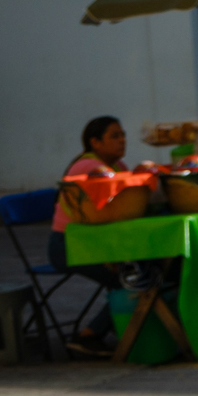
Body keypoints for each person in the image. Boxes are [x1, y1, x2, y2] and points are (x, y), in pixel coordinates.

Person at [51, 115, 133, 357]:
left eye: (123, 135)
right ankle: (90, 335)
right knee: (134, 280)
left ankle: (120, 328)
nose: (122, 141)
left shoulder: (119, 167)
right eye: (114, 136)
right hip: (67, 246)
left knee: (140, 272)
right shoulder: (90, 168)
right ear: (95, 143)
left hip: (100, 242)